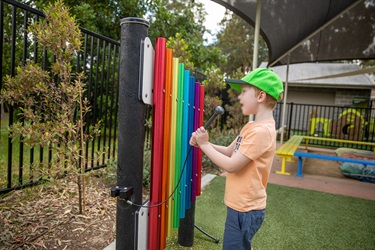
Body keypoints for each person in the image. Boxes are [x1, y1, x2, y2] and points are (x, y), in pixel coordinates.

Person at [190, 68, 284, 249]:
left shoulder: (262, 132)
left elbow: (232, 165)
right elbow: (228, 151)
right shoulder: (251, 126)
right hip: (239, 206)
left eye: (244, 92)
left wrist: (205, 145)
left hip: (246, 210)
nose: (239, 97)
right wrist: (201, 144)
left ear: (261, 96)